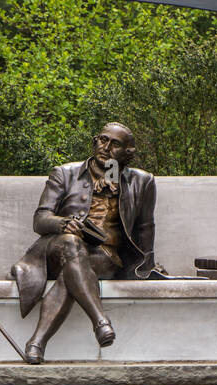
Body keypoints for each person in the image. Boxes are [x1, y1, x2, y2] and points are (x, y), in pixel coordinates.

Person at [10, 123, 156, 364]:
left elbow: (145, 227)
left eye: (115, 144)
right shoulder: (65, 173)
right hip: (56, 250)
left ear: (128, 153)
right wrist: (63, 224)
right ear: (95, 141)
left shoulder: (143, 182)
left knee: (74, 272)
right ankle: (101, 321)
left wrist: (147, 263)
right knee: (71, 244)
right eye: (102, 140)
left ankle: (36, 342)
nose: (106, 147)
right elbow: (40, 219)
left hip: (104, 257)